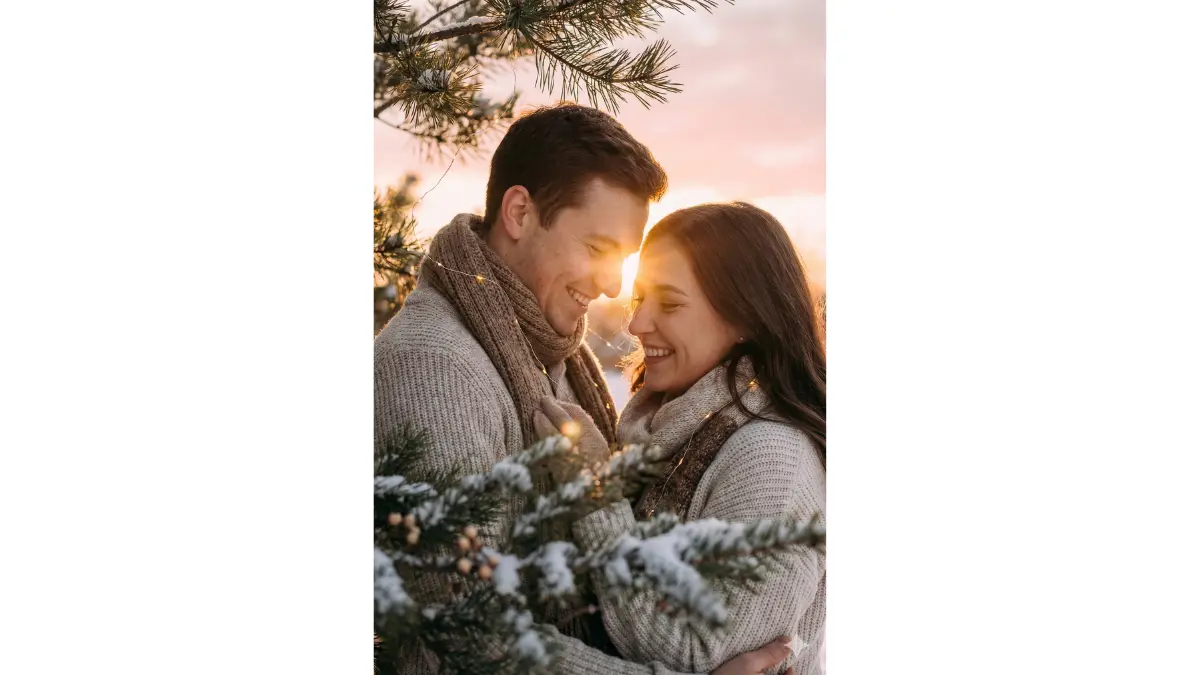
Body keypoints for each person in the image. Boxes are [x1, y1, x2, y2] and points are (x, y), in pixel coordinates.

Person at [375, 105, 796, 675]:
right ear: (520, 212)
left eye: (622, 259)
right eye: (598, 249)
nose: (612, 286)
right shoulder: (436, 368)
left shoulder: (551, 350)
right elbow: (462, 634)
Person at [536, 202, 827, 675]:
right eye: (639, 300)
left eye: (669, 303)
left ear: (748, 317)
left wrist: (595, 497)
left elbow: (697, 656)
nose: (637, 324)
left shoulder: (772, 460)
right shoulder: (666, 432)